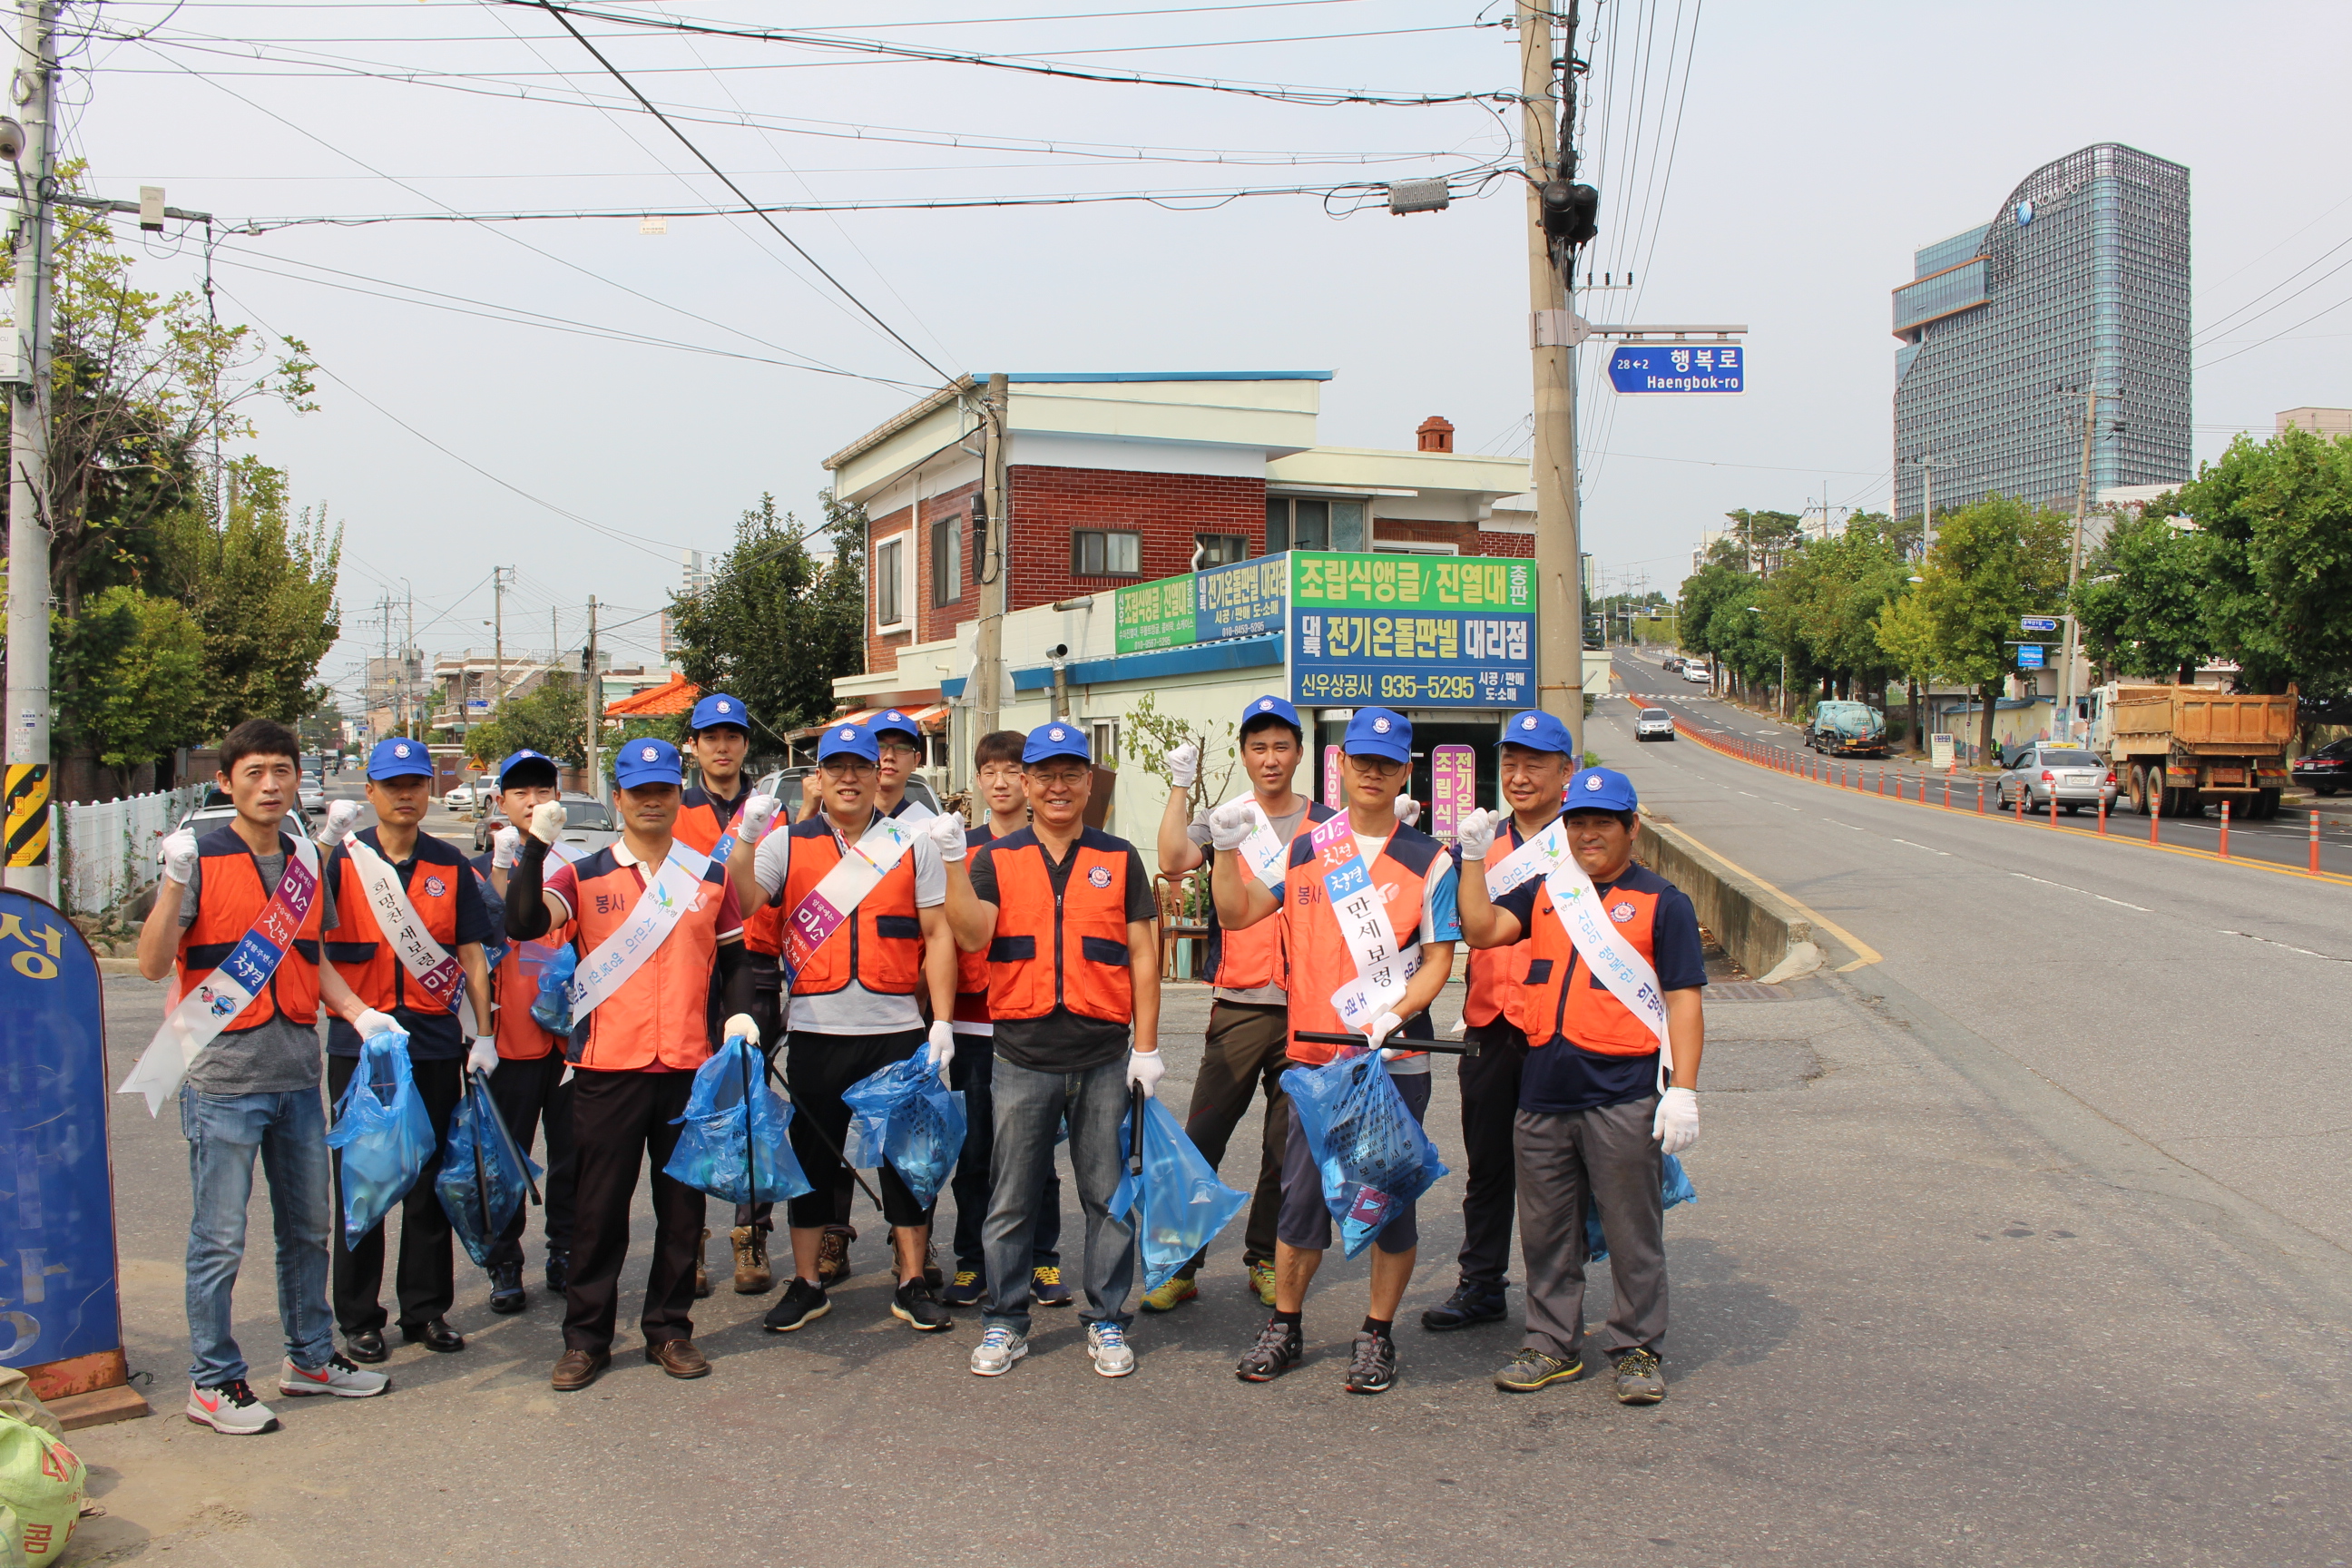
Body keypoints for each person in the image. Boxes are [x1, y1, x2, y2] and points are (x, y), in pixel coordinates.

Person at [136, 718, 390, 1436]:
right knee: (218, 1238)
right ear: (227, 782)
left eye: (281, 771)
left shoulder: (306, 860)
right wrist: (171, 881)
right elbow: (155, 964)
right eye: (254, 772)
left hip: (296, 1073)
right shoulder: (199, 855)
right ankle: (212, 1381)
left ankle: (309, 1359)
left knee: (308, 1229)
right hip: (223, 1077)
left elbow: (311, 958)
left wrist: (361, 1014)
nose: (270, 785)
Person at [1212, 707, 1458, 1395]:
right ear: (1341, 766)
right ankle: (1284, 1326)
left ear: (1405, 769)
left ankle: (1377, 1336)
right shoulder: (1308, 849)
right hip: (1315, 1059)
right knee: (1301, 1204)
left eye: (1387, 762)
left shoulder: (1429, 859)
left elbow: (1440, 960)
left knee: (1390, 1203)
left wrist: (1397, 1011)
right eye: (1361, 760)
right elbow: (1237, 915)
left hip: (1392, 1059)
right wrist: (1225, 851)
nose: (1372, 771)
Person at [504, 737, 754, 1390]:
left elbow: (735, 961)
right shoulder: (582, 875)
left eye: (662, 791)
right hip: (606, 1068)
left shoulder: (708, 876)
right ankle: (586, 1338)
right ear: (619, 798)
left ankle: (670, 1329)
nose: (651, 802)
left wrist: (742, 1014)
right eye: (638, 792)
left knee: (681, 1211)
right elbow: (525, 922)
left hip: (686, 1068)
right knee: (598, 1212)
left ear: (677, 796)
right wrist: (534, 847)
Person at [1453, 766, 1705, 1404]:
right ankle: (1551, 1342)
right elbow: (1482, 932)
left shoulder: (1662, 902)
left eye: (1603, 823)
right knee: (1545, 1233)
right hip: (1541, 1093)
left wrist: (1685, 1089)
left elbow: (1684, 1002)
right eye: (1579, 824)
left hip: (1622, 1091)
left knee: (1631, 1231)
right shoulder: (1546, 891)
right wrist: (1475, 860)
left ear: (1630, 829)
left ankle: (1638, 1348)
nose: (1589, 835)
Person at [937, 724, 1161, 1379]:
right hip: (1021, 1053)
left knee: (1107, 1195)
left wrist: (1145, 1048)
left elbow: (1145, 956)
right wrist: (954, 863)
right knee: (1012, 1195)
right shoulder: (995, 859)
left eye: (1071, 775)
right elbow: (973, 934)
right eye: (1045, 776)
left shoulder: (1119, 858)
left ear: (1088, 784)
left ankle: (1109, 1318)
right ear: (1027, 786)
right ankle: (1005, 1320)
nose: (1058, 787)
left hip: (1101, 1054)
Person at [727, 721, 957, 1336]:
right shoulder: (787, 844)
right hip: (817, 1030)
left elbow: (937, 934)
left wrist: (942, 1022)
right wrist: (745, 841)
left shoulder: (913, 843)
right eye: (837, 768)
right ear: (819, 779)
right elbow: (743, 903)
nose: (850, 778)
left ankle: (911, 1281)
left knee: (904, 1161)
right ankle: (806, 1284)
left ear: (876, 772)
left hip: (896, 1027)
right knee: (812, 1160)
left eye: (861, 766)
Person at [1144, 695, 1333, 1312]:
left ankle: (1263, 1259)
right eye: (1258, 747)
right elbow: (1172, 860)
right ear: (1245, 756)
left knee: (1286, 1147)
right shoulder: (1227, 818)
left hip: (1310, 1009)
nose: (1270, 758)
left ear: (1299, 753)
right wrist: (1179, 785)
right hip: (1241, 1002)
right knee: (1203, 1136)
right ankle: (1179, 1263)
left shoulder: (1329, 825)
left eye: (1282, 746)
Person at [318, 737, 496, 1363]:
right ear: (369, 792)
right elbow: (308, 950)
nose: (404, 795)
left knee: (428, 1184)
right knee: (363, 1185)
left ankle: (426, 1311)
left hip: (432, 1045)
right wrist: (356, 1016)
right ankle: (359, 1318)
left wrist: (484, 1033)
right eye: (392, 785)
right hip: (360, 1044)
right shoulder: (340, 863)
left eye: (415, 783)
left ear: (429, 791)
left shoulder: (450, 864)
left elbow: (473, 953)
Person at [1422, 710, 1577, 1333]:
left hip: (1559, 1031)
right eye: (1510, 762)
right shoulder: (1481, 843)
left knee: (1563, 1174)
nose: (1519, 775)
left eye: (1535, 762)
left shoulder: (1585, 839)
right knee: (1487, 1167)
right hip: (1488, 1025)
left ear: (1566, 772)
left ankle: (1561, 1297)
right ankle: (1481, 1284)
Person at [938, 730, 1065, 1310]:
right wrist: (940, 1020)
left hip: (1037, 1023)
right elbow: (944, 933)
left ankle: (1042, 1260)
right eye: (988, 770)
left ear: (1029, 777)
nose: (1000, 781)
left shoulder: (1055, 844)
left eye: (1012, 769)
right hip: (973, 1024)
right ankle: (972, 1260)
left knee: (1036, 1152)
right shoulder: (958, 847)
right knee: (976, 1151)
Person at [476, 750, 581, 1312]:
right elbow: (483, 940)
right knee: (506, 1156)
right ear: (501, 801)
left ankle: (564, 1251)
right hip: (508, 1041)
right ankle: (504, 1263)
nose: (534, 801)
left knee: (571, 1157)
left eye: (543, 790)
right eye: (521, 792)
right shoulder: (482, 868)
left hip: (569, 1043)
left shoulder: (578, 866)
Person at [671, 691, 766, 1298]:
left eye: (732, 736)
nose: (723, 746)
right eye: (712, 737)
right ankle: (690, 1245)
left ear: (745, 744)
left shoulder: (771, 810)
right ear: (695, 745)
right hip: (686, 977)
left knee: (749, 1113)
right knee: (690, 1116)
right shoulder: (671, 809)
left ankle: (750, 1237)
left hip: (755, 973)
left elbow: (767, 896)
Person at [874, 709, 936, 821]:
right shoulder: (844, 823)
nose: (889, 756)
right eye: (880, 746)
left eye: (901, 748)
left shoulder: (928, 826)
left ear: (915, 761)